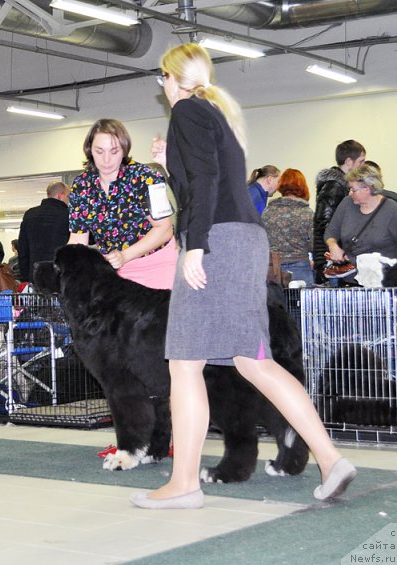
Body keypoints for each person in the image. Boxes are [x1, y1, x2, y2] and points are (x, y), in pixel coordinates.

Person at [134, 43, 354, 510]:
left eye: (162, 79)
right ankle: (331, 458)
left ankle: (184, 483)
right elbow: (200, 182)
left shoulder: (189, 111)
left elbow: (208, 183)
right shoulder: (214, 115)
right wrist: (169, 159)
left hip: (219, 242)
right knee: (254, 361)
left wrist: (194, 246)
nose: (163, 87)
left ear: (173, 79)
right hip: (243, 240)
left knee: (185, 361)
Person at [68, 118, 176, 290]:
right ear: (90, 151)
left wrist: (125, 256)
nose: (106, 159)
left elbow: (164, 229)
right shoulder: (81, 185)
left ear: (124, 149)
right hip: (112, 274)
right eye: (99, 151)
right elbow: (77, 239)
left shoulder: (146, 177)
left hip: (157, 268)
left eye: (114, 151)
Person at [324, 164, 397, 283]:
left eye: (353, 189)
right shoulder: (347, 204)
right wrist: (333, 246)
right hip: (350, 280)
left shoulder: (392, 210)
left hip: (383, 282)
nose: (350, 193)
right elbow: (331, 231)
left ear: (367, 189)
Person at [313, 139, 366, 284]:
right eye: (361, 161)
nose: (363, 166)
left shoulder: (340, 186)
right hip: (332, 261)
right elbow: (323, 223)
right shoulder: (334, 187)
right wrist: (335, 249)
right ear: (349, 161)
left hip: (335, 257)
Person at [261, 168, 314, 286]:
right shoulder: (307, 213)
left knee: (277, 303)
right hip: (301, 268)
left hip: (274, 270)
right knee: (304, 304)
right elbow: (314, 244)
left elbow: (262, 241)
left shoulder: (268, 212)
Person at [18, 180, 70, 283]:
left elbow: (23, 249)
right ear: (60, 195)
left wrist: (26, 277)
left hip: (36, 275)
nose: (69, 201)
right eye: (68, 196)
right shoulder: (67, 215)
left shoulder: (29, 214)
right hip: (61, 276)